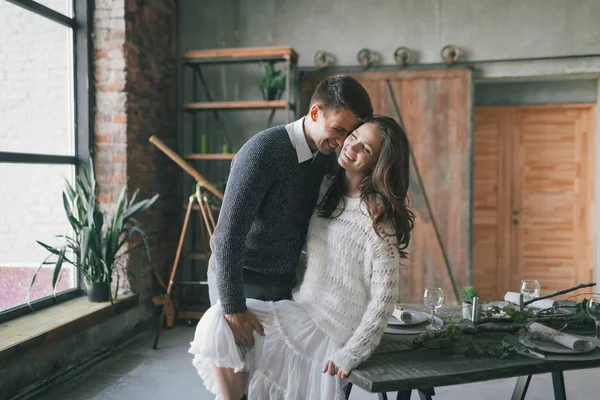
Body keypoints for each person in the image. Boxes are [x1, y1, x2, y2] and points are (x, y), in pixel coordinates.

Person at [190, 116, 415, 400]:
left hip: (332, 330)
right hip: (302, 311)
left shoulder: (377, 217)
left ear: (378, 164)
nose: (352, 147)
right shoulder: (328, 190)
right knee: (218, 322)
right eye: (354, 136)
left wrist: (352, 352)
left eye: (366, 149)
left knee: (221, 327)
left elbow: (384, 298)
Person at [207, 74, 373, 348]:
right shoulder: (263, 151)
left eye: (351, 133)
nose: (343, 142)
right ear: (316, 112)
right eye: (339, 129)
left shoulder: (326, 157)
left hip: (284, 282)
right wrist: (233, 307)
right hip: (239, 279)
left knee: (274, 376)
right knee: (240, 374)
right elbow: (226, 237)